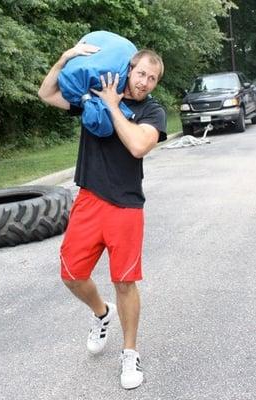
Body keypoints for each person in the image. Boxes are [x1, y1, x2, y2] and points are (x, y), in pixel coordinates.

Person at [38, 42, 167, 390]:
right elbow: (47, 93)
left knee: (125, 281)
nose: (144, 82)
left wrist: (114, 108)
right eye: (141, 73)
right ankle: (101, 313)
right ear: (129, 69)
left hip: (126, 206)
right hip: (90, 199)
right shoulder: (94, 92)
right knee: (71, 274)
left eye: (152, 79)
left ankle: (129, 352)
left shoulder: (152, 112)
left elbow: (138, 145)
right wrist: (65, 57)